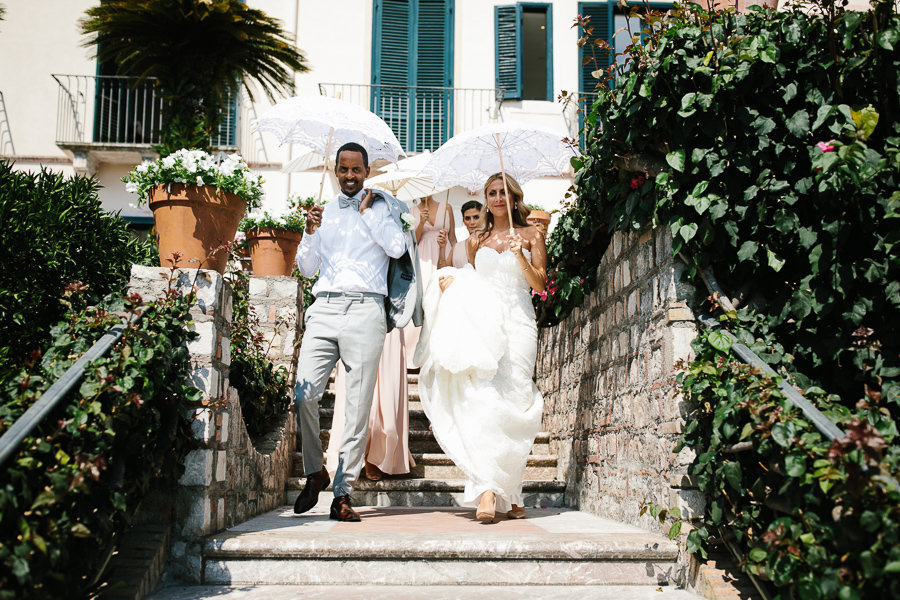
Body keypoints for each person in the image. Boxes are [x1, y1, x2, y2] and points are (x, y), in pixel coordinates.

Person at [292, 141, 420, 522]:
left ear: (367, 172)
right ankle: (316, 471)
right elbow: (308, 268)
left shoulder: (384, 207)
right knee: (304, 393)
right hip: (324, 307)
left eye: (356, 170)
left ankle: (343, 493)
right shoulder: (324, 212)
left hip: (366, 310)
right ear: (336, 172)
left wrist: (368, 215)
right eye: (343, 169)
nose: (350, 176)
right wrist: (310, 232)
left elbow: (397, 247)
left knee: (357, 407)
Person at [414, 173, 546, 523]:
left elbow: (540, 284)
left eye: (503, 191)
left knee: (516, 400)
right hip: (485, 325)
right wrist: (450, 283)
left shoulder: (532, 234)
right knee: (485, 402)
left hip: (519, 321)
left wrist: (522, 257)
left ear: (514, 196)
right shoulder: (476, 240)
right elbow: (473, 282)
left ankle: (512, 490)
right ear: (486, 199)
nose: (498, 198)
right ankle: (486, 490)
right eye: (492, 193)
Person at [325, 327, 416, 481]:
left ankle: (379, 453)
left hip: (390, 320)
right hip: (354, 319)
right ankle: (358, 453)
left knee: (388, 386)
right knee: (356, 388)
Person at [403, 195, 456, 366]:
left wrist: (457, 258)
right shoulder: (411, 212)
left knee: (445, 302)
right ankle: (415, 355)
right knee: (424, 301)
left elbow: (453, 237)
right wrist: (420, 223)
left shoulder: (447, 207)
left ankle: (442, 353)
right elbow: (412, 241)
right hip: (422, 260)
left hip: (444, 254)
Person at [437, 200, 483, 269]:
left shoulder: (490, 241)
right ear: (463, 221)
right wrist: (442, 248)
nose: (472, 222)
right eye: (468, 218)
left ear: (483, 218)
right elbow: (442, 271)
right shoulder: (456, 247)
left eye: (476, 217)